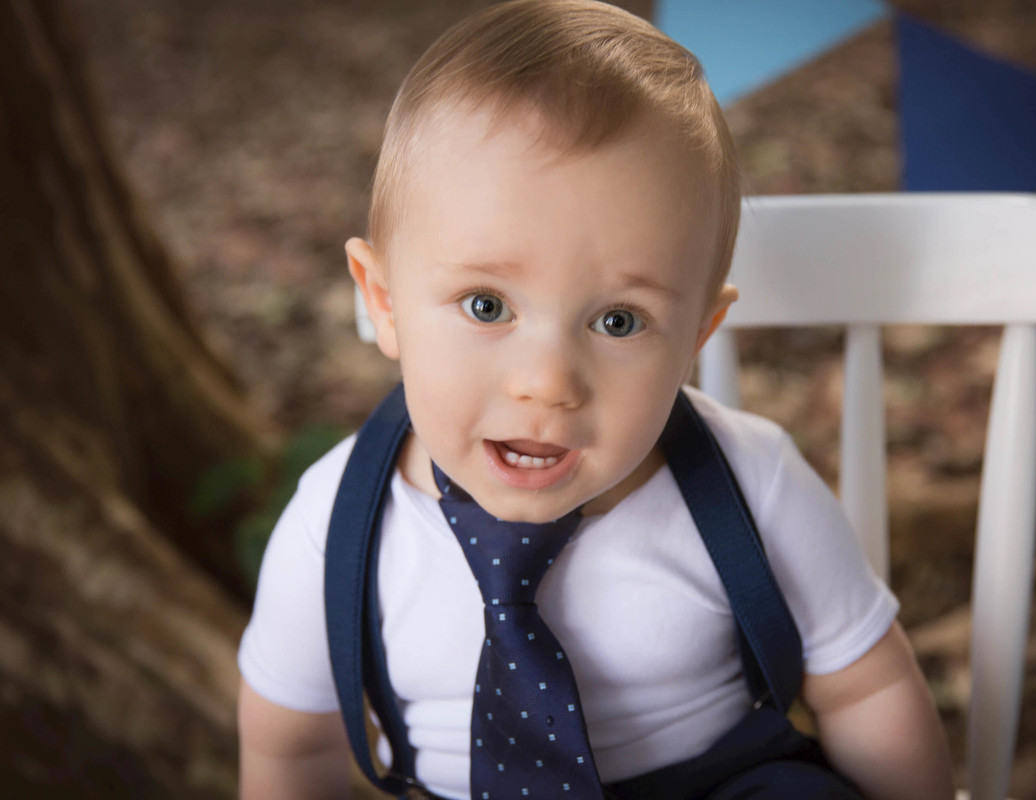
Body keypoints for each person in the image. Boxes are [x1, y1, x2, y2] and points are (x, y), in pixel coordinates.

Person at [236, 2, 956, 799]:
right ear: (383, 301)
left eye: (618, 321)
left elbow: (865, 689)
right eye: (486, 305)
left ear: (697, 335)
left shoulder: (754, 483)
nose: (547, 381)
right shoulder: (335, 523)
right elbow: (290, 748)